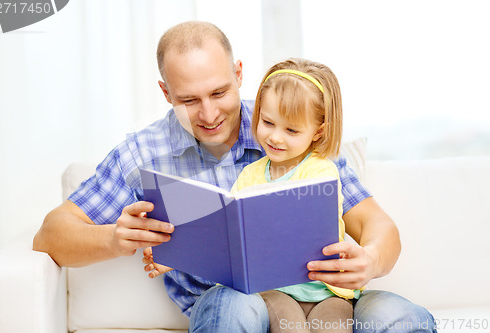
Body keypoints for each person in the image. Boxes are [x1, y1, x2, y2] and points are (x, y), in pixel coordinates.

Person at [34, 21, 436, 332]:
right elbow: (50, 234)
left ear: (240, 73)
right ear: (165, 93)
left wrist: (370, 259)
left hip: (328, 299)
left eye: (219, 93)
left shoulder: (285, 125)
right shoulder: (143, 153)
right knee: (232, 305)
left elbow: (378, 225)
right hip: (232, 304)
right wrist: (113, 239)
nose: (209, 115)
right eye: (189, 100)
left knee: (401, 317)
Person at [227, 58, 355, 333]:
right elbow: (230, 231)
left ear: (318, 132)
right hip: (274, 290)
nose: (275, 137)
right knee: (289, 328)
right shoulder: (249, 175)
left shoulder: (322, 171)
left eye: (291, 130)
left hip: (329, 292)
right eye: (268, 122)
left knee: (334, 328)